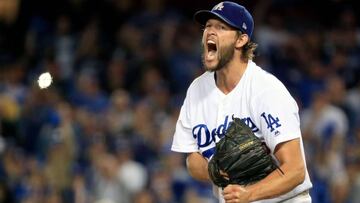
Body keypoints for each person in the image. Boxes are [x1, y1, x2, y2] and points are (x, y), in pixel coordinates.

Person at [171, 1, 313, 202]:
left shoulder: (266, 90)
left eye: (221, 27)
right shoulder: (196, 90)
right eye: (208, 26)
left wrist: (250, 193)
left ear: (241, 40)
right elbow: (192, 159)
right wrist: (215, 171)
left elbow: (295, 170)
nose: (210, 32)